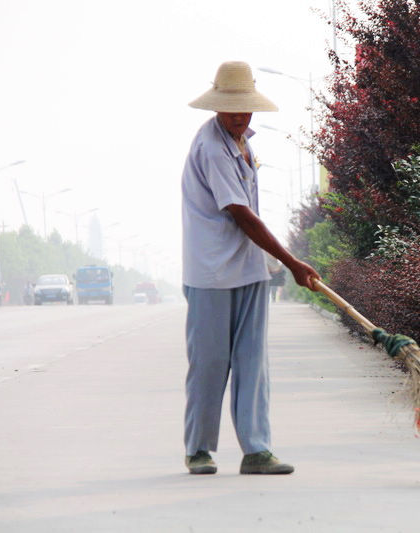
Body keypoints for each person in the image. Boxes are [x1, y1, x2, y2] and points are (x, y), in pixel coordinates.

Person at [181, 61, 319, 476]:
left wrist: (274, 262)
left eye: (246, 109)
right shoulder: (210, 147)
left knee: (252, 362)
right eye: (233, 109)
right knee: (209, 362)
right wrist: (292, 262)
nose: (241, 116)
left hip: (249, 269)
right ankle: (199, 449)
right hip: (211, 273)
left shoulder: (244, 143)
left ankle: (257, 450)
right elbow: (241, 213)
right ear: (218, 106)